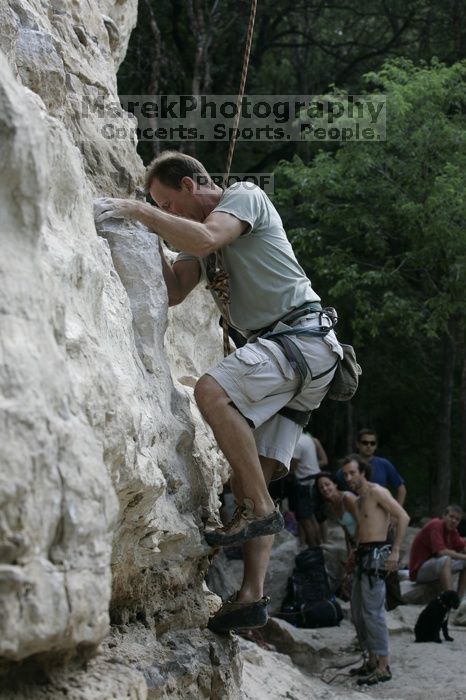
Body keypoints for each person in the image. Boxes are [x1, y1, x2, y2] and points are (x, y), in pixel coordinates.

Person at [94, 151, 343, 633]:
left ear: (189, 186)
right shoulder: (197, 243)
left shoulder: (244, 198)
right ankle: (251, 594)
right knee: (257, 478)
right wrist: (146, 240)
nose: (166, 212)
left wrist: (142, 212)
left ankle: (260, 509)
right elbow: (173, 290)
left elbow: (207, 235)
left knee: (212, 391)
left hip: (298, 339)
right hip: (302, 356)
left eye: (168, 202)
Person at [342, 454, 409, 686]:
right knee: (359, 612)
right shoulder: (359, 501)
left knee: (373, 612)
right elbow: (362, 530)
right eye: (346, 474)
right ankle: (370, 660)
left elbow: (403, 516)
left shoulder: (377, 492)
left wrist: (396, 551)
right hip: (363, 556)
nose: (349, 477)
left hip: (378, 555)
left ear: (363, 472)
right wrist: (354, 553)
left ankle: (383, 665)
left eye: (352, 472)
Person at [409, 504, 466, 598]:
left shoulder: (453, 531)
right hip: (418, 571)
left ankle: (458, 600)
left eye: (457, 519)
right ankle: (450, 600)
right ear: (444, 516)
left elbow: (463, 546)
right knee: (445, 559)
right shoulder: (436, 524)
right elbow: (441, 552)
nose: (454, 521)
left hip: (434, 568)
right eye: (451, 517)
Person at [336, 428, 406, 504]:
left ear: (376, 446)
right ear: (357, 444)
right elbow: (335, 492)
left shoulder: (384, 464)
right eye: (365, 442)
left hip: (381, 512)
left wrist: (397, 512)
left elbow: (401, 489)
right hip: (356, 512)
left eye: (372, 443)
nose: (369, 446)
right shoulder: (347, 468)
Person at [289, 433, 328, 546]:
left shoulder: (297, 443)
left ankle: (313, 548)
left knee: (305, 519)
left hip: (304, 482)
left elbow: (293, 467)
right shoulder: (309, 439)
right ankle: (320, 544)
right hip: (315, 479)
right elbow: (323, 461)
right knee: (314, 516)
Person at [314, 471, 357, 552]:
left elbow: (362, 523)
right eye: (321, 487)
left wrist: (357, 546)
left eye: (327, 484)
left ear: (335, 484)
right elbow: (346, 530)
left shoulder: (347, 498)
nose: (325, 489)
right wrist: (349, 551)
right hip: (354, 542)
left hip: (366, 540)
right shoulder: (332, 505)